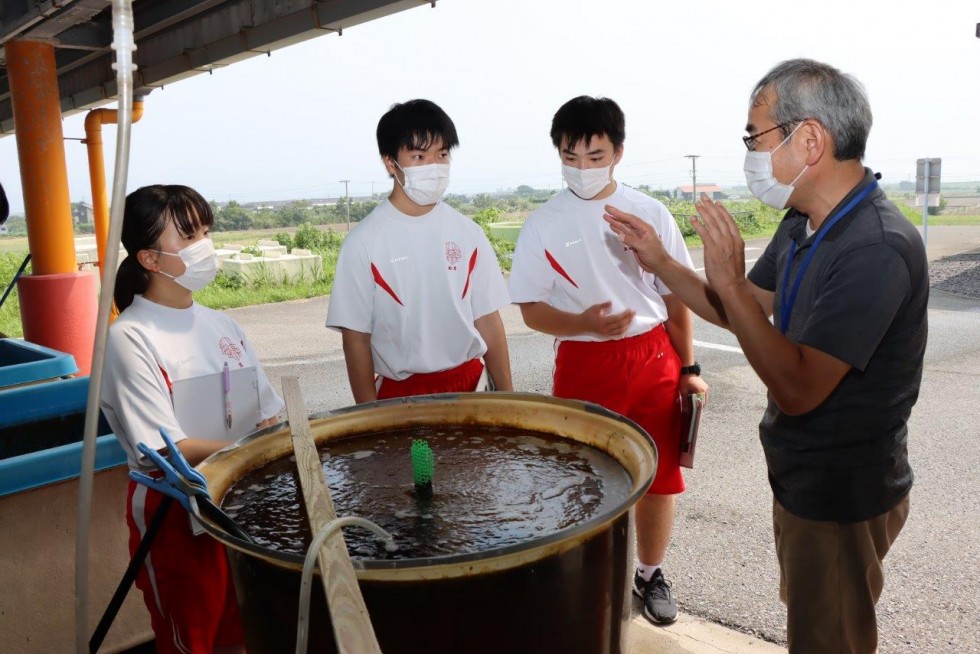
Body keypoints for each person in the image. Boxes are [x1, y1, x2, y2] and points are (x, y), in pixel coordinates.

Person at [605, 59, 926, 653]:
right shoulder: (805, 222)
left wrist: (727, 282)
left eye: (756, 137)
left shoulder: (875, 246)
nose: (750, 153)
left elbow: (798, 388)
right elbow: (744, 311)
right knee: (812, 619)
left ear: (810, 140)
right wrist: (662, 262)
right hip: (802, 478)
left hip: (841, 493)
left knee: (830, 637)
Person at [508, 96, 708, 626]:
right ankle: (584, 573)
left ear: (619, 151)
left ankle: (650, 573)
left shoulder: (649, 212)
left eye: (595, 156)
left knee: (661, 476)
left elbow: (675, 298)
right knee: (583, 476)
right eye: (570, 157)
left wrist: (688, 369)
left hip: (651, 357)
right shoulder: (543, 223)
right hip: (583, 362)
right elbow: (530, 309)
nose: (582, 169)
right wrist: (585, 325)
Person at [101, 184, 284, 654]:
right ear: (149, 259)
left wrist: (265, 438)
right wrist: (256, 445)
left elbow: (268, 413)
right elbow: (165, 449)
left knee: (247, 631)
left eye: (205, 230)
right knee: (194, 641)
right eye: (187, 235)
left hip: (240, 503)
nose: (204, 245)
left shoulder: (224, 326)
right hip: (177, 516)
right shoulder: (130, 338)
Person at [327, 99, 512, 402]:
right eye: (419, 156)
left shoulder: (468, 233)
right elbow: (356, 341)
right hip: (401, 397)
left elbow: (489, 322)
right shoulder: (363, 243)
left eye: (442, 154)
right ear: (390, 163)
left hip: (471, 387)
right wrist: (369, 420)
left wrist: (508, 399)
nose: (435, 167)